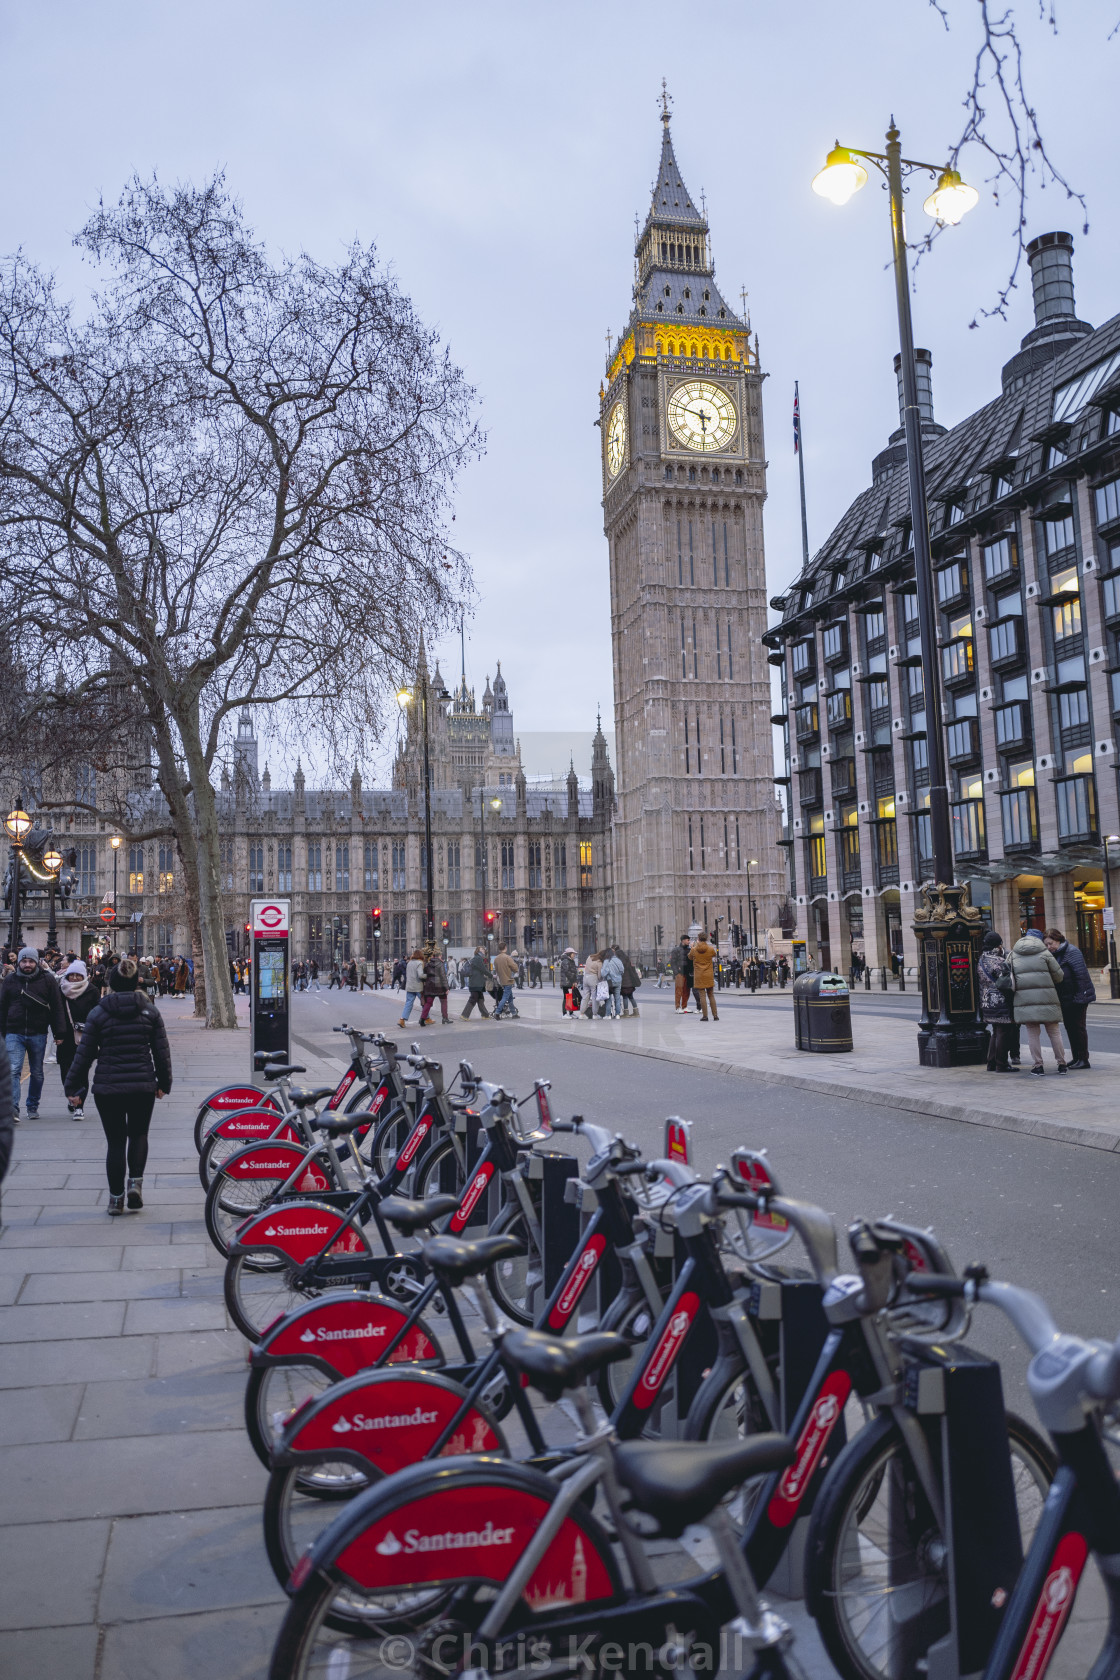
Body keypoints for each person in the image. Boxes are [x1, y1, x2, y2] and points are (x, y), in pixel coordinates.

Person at [63, 956, 172, 1215]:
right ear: (136, 982)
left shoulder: (99, 1012)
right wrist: (163, 1083)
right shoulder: (149, 1011)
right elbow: (161, 1051)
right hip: (142, 1084)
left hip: (108, 1086)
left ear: (111, 982)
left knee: (115, 1142)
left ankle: (115, 1199)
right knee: (138, 1135)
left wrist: (72, 1087)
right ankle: (135, 1183)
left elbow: (84, 1054)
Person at [0, 947, 68, 1123]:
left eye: (30, 961)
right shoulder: (10, 980)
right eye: (24, 961)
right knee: (14, 1069)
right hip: (14, 1031)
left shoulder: (48, 980)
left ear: (37, 962)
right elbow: (2, 1007)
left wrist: (59, 1032)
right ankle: (13, 1109)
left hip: (38, 1032)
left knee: (37, 1072)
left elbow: (57, 1007)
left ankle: (32, 1105)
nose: (27, 964)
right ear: (19, 962)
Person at [1009, 930, 1068, 1074]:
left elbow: (1006, 976)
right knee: (1054, 1032)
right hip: (1048, 998)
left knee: (1032, 1033)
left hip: (1024, 1000)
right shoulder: (1044, 953)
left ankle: (1038, 1066)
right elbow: (1059, 976)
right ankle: (1062, 1064)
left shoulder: (1013, 954)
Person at [1043, 927, 1095, 1069]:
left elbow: (1081, 976)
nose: (1049, 947)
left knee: (1078, 1028)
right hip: (1065, 998)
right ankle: (1076, 1057)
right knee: (1070, 1028)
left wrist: (1079, 998)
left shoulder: (1072, 952)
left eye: (1051, 943)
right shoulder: (1054, 954)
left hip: (1077, 998)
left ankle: (1084, 1059)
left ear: (1058, 940)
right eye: (1046, 944)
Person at [57, 959, 102, 1118]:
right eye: (72, 975)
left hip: (86, 1037)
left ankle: (79, 1106)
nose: (75, 978)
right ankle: (71, 1096)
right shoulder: (61, 989)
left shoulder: (92, 990)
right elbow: (57, 1013)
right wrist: (58, 1033)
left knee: (82, 1072)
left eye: (78, 975)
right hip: (65, 1036)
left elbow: (98, 1013)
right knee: (66, 1070)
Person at [977, 931, 1016, 1073]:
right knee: (1003, 1032)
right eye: (1000, 944)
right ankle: (1002, 1064)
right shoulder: (999, 961)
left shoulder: (981, 959)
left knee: (995, 1031)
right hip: (1000, 1001)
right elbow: (1006, 982)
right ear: (997, 945)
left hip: (986, 1000)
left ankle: (991, 1062)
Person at [690, 930, 719, 1022]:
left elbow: (690, 957)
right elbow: (714, 954)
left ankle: (705, 1016)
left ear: (698, 939)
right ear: (706, 939)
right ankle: (715, 1016)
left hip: (699, 974)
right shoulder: (710, 949)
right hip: (708, 974)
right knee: (711, 995)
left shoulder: (694, 949)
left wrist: (693, 947)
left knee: (702, 996)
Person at [419, 947, 450, 1026]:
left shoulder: (428, 964)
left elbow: (424, 974)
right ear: (440, 956)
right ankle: (445, 1018)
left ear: (432, 956)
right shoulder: (440, 964)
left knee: (428, 1003)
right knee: (443, 1002)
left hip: (430, 985)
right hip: (439, 986)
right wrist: (447, 988)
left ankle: (422, 1019)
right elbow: (443, 976)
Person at [460, 947, 492, 1019]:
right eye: (481, 949)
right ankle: (464, 1015)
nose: (483, 950)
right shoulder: (478, 958)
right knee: (473, 998)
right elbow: (483, 969)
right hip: (476, 982)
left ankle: (485, 1015)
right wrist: (492, 975)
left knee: (480, 998)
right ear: (477, 951)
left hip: (477, 982)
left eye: (484, 949)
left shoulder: (477, 958)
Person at [397, 950, 425, 1027]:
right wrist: (427, 976)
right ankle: (426, 1018)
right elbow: (420, 975)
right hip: (418, 986)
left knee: (408, 1003)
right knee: (424, 1002)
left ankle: (402, 1020)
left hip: (409, 986)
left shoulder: (409, 963)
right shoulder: (419, 963)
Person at [492, 944, 519, 1018]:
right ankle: (497, 1012)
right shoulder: (507, 957)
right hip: (508, 980)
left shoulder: (496, 958)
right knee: (505, 998)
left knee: (510, 997)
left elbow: (496, 970)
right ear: (505, 948)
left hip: (501, 980)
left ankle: (514, 1013)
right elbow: (515, 968)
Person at [616, 945, 641, 1017]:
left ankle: (626, 1013)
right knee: (631, 997)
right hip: (630, 982)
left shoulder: (620, 962)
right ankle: (636, 1012)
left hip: (624, 982)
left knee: (625, 997)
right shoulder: (627, 960)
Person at [670, 937, 692, 1015]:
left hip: (687, 972)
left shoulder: (689, 950)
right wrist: (676, 972)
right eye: (688, 940)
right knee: (679, 990)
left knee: (687, 990)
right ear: (683, 940)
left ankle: (684, 1006)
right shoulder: (676, 950)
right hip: (680, 973)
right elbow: (672, 962)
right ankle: (677, 1007)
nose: (689, 941)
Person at [601, 947, 624, 1019]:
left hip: (610, 982)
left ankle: (608, 1015)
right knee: (617, 998)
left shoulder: (607, 961)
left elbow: (603, 973)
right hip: (618, 981)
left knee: (608, 998)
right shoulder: (618, 960)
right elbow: (622, 971)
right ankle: (617, 1014)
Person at [581, 949, 604, 1020]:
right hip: (593, 978)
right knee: (594, 997)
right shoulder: (599, 962)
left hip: (585, 977)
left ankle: (581, 1014)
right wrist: (601, 980)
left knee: (585, 996)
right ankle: (595, 1014)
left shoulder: (589, 957)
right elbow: (600, 975)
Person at [559, 948, 580, 1016]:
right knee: (566, 997)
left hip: (570, 982)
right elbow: (567, 972)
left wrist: (575, 981)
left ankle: (570, 1012)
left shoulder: (571, 961)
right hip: (566, 983)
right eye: (573, 954)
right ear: (569, 954)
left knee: (570, 998)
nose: (574, 955)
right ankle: (564, 1013)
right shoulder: (565, 961)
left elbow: (574, 971)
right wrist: (574, 980)